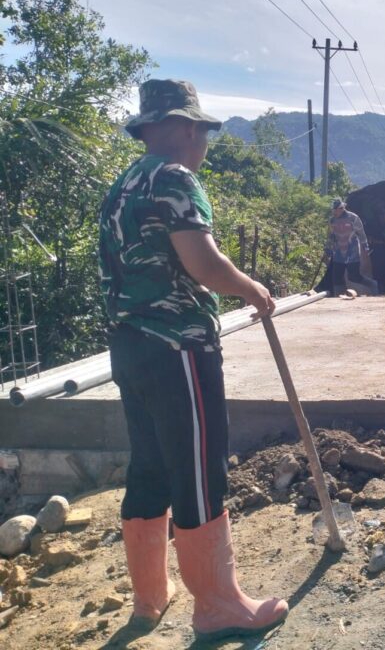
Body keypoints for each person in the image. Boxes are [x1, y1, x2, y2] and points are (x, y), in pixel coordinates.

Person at [99, 79, 288, 640]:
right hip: (178, 344)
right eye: (202, 131)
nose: (203, 143)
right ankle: (217, 606)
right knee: (201, 470)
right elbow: (203, 264)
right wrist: (252, 288)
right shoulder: (175, 178)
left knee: (151, 464)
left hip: (130, 346)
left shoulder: (122, 183)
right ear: (183, 128)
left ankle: (149, 598)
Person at [325, 197, 372, 295]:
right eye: (333, 210)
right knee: (337, 276)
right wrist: (328, 248)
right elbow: (330, 236)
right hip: (338, 251)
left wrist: (365, 246)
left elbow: (361, 233)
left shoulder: (353, 218)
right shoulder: (332, 220)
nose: (334, 212)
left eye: (335, 210)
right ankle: (338, 296)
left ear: (341, 208)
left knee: (354, 276)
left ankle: (372, 286)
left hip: (352, 249)